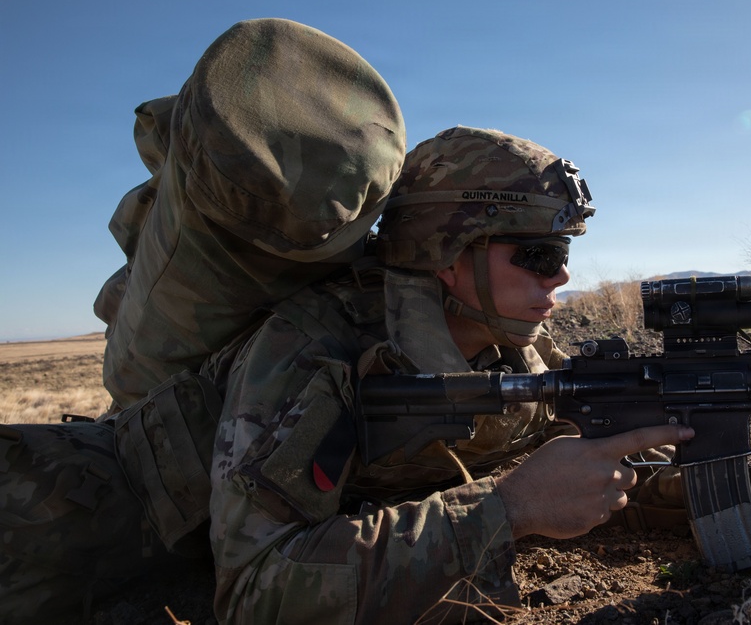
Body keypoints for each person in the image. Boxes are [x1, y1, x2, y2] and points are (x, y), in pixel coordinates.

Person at [202, 125, 696, 623]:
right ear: (446, 254)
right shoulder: (311, 356)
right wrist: (510, 508)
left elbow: (591, 466)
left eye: (563, 253)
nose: (562, 276)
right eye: (540, 255)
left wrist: (732, 473)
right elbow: (254, 593)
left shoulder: (516, 346)